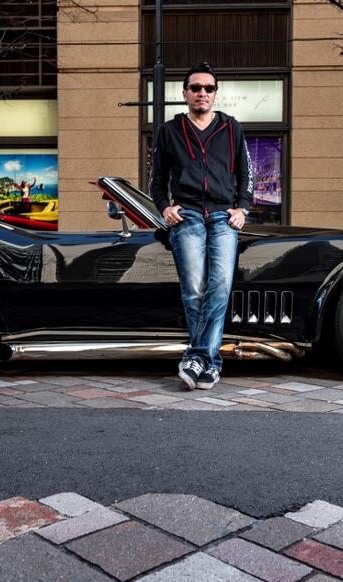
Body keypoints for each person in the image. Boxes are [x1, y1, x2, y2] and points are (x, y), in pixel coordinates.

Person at [151, 62, 253, 390]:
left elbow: (245, 175)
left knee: (220, 285)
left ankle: (198, 358)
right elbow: (156, 179)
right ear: (185, 94)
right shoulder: (170, 131)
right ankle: (210, 363)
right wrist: (165, 207)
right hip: (188, 216)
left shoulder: (231, 127)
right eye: (196, 88)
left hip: (224, 216)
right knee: (194, 288)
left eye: (208, 88)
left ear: (215, 94)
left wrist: (244, 208)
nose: (202, 93)